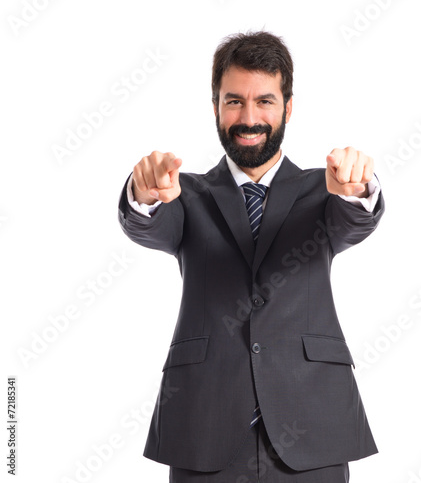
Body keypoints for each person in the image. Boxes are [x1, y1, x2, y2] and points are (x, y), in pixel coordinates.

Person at [117, 30, 385, 483]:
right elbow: (148, 223)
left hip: (311, 426)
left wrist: (360, 190)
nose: (249, 117)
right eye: (234, 101)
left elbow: (354, 219)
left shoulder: (326, 189)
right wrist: (142, 194)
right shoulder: (186, 195)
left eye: (264, 101)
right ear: (216, 107)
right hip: (204, 429)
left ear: (288, 107)